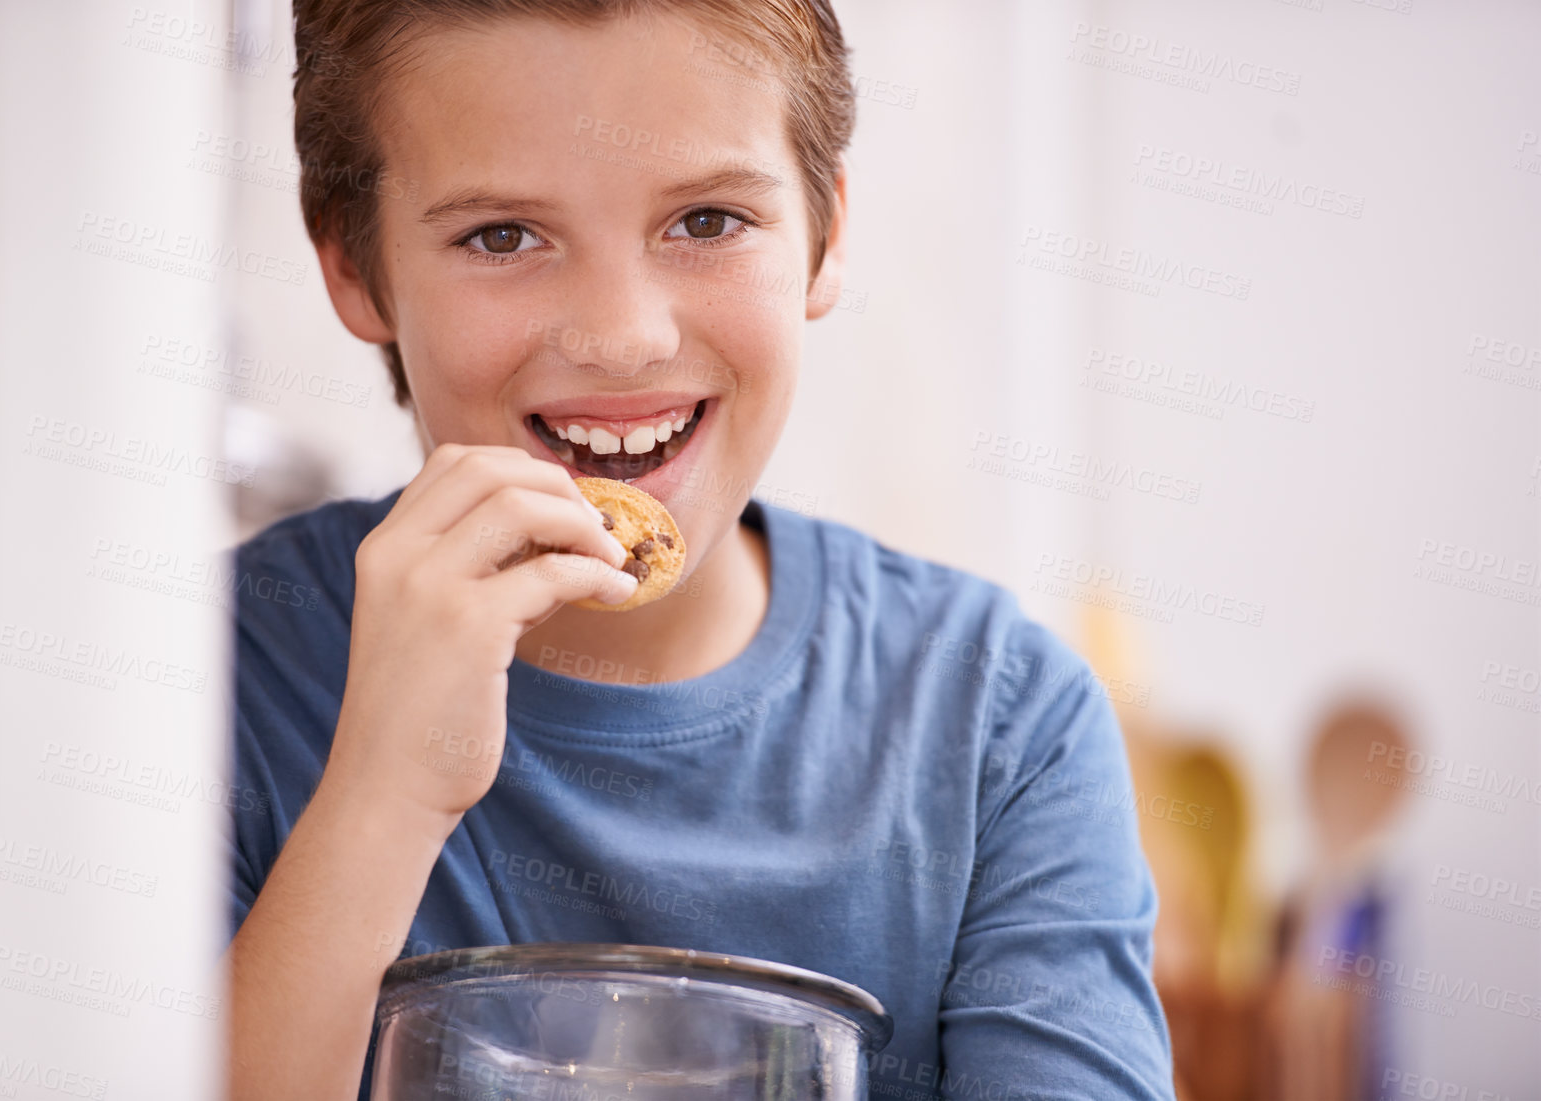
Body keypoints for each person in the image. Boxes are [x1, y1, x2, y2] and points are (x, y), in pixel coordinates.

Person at [224, 2, 1175, 1098]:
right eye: (500, 235)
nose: (623, 334)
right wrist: (382, 797)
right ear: (351, 263)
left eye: (709, 221)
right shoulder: (217, 675)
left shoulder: (1001, 722)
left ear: (824, 235)